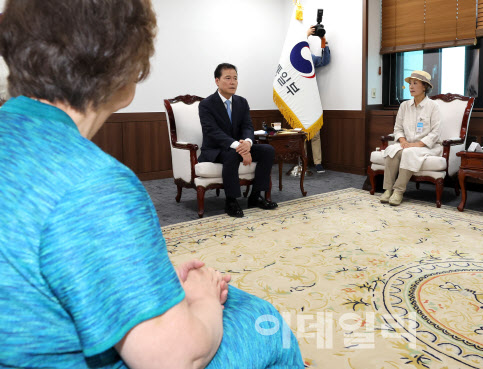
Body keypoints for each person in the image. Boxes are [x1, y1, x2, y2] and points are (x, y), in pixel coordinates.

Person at [0, 1, 302, 368]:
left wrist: (143, 273)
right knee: (264, 320)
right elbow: (174, 358)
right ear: (127, 75)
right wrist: (204, 297)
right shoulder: (96, 184)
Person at [199, 63, 278, 218]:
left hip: (239, 146)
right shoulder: (206, 104)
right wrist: (239, 147)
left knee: (268, 150)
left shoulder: (242, 102)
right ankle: (231, 200)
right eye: (227, 78)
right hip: (216, 149)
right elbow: (213, 132)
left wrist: (248, 143)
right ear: (217, 81)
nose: (232, 82)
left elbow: (247, 126)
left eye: (235, 78)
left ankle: (255, 196)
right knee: (231, 154)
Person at [379, 70, 441, 206]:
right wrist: (403, 141)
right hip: (407, 144)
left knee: (408, 152)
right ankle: (387, 189)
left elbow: (435, 133)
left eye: (415, 83)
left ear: (424, 86)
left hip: (425, 146)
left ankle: (398, 191)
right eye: (410, 84)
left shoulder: (433, 106)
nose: (411, 87)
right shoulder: (404, 106)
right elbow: (398, 129)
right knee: (391, 150)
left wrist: (417, 145)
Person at [307, 25, 331, 173]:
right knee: (301, 133)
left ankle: (317, 162)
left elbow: (325, 60)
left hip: (312, 98)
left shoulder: (311, 58)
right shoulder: (293, 59)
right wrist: (306, 35)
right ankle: (301, 161)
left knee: (315, 133)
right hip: (298, 98)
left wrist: (323, 41)